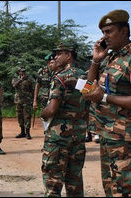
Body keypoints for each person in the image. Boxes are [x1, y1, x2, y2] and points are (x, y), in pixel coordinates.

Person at [83, 9, 131, 196]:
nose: (105, 37)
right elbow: (88, 89)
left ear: (124, 31)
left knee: (128, 190)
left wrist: (106, 97)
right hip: (107, 135)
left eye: (109, 31)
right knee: (111, 189)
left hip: (125, 140)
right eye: (103, 33)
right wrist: (95, 61)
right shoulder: (109, 58)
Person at [40, 42, 89, 197]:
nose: (56, 57)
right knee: (75, 179)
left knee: (53, 180)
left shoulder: (60, 77)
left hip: (58, 137)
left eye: (59, 53)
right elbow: (88, 101)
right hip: (78, 134)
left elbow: (52, 109)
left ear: (69, 55)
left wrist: (43, 113)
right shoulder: (84, 77)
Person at [12, 67, 34, 139]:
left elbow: (32, 90)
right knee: (19, 116)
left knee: (27, 116)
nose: (23, 73)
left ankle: (28, 133)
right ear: (19, 72)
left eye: (24, 71)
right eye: (21, 72)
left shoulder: (29, 80)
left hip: (27, 100)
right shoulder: (15, 78)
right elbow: (14, 85)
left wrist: (34, 100)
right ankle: (22, 132)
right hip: (18, 101)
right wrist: (21, 80)